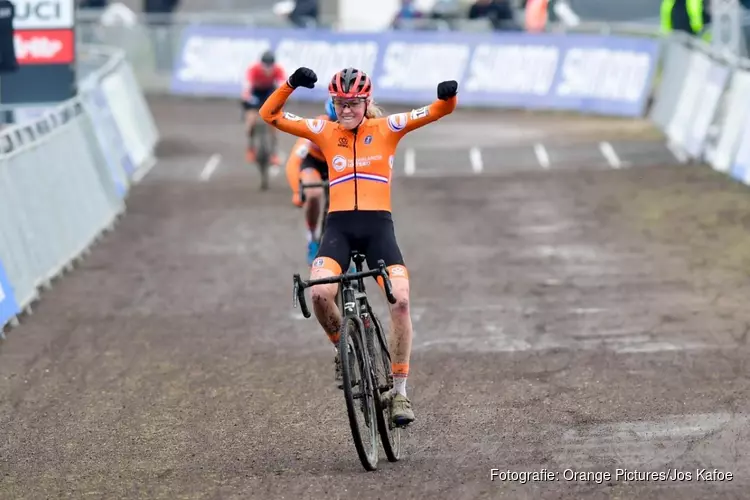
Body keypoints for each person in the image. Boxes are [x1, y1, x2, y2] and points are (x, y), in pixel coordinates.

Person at [260, 66, 458, 427]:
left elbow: (438, 110)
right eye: (340, 103)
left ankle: (399, 392)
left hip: (377, 230)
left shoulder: (387, 129)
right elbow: (269, 115)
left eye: (353, 103)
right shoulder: (323, 130)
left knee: (400, 300)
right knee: (319, 294)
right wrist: (289, 85)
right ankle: (345, 349)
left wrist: (448, 96)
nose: (346, 110)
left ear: (367, 102)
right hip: (338, 230)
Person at [284, 97, 338, 264]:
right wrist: (296, 192)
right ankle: (312, 238)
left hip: (338, 165)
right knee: (314, 194)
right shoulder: (316, 128)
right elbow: (294, 161)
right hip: (313, 163)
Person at [241, 50, 286, 166]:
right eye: (265, 67)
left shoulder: (278, 70)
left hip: (268, 93)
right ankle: (251, 148)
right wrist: (247, 96)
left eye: (269, 67)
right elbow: (247, 86)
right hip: (255, 93)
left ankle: (274, 153)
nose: (267, 70)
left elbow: (282, 86)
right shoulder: (253, 69)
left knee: (274, 125)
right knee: (251, 122)